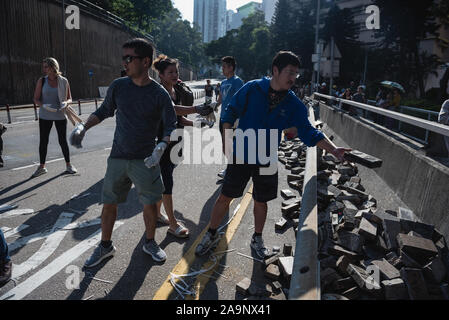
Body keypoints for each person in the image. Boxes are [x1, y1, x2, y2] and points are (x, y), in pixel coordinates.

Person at [195, 51, 351, 258]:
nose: (293, 78)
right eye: (290, 73)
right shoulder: (252, 89)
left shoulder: (293, 104)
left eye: (296, 74)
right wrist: (226, 139)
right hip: (241, 153)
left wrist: (333, 148)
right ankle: (212, 233)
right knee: (226, 196)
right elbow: (230, 111)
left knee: (261, 200)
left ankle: (257, 238)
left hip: (267, 157)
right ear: (275, 70)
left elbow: (308, 131)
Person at [71, 38, 178, 266]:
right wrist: (83, 127)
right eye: (123, 58)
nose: (125, 62)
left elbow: (170, 124)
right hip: (118, 158)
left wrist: (161, 147)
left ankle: (149, 242)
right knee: (109, 204)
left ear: (145, 61)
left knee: (149, 205)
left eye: (129, 58)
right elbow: (104, 110)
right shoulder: (119, 86)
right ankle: (105, 246)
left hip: (146, 160)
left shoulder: (160, 94)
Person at [152, 54, 213, 238]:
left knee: (165, 180)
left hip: (175, 143)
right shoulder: (158, 91)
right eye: (170, 72)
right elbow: (172, 109)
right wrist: (197, 109)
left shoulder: (176, 91)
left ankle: (156, 214)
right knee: (167, 184)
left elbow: (178, 118)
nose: (174, 74)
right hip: (160, 144)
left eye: (176, 71)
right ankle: (172, 223)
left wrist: (196, 123)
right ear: (161, 75)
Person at [32, 57, 77, 177]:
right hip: (45, 115)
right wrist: (44, 106)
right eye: (44, 66)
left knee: (62, 141)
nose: (44, 69)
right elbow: (36, 99)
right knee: (43, 141)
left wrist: (66, 103)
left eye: (46, 66)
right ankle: (42, 167)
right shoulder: (42, 81)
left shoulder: (64, 81)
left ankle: (69, 165)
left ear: (53, 67)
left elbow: (70, 98)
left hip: (60, 114)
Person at [215, 56, 244, 179]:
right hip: (223, 118)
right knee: (225, 147)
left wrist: (238, 117)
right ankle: (233, 168)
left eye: (224, 67)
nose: (222, 69)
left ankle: (232, 171)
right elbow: (220, 99)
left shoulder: (237, 81)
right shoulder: (223, 82)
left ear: (231, 67)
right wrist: (211, 107)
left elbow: (241, 100)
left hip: (233, 120)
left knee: (232, 146)